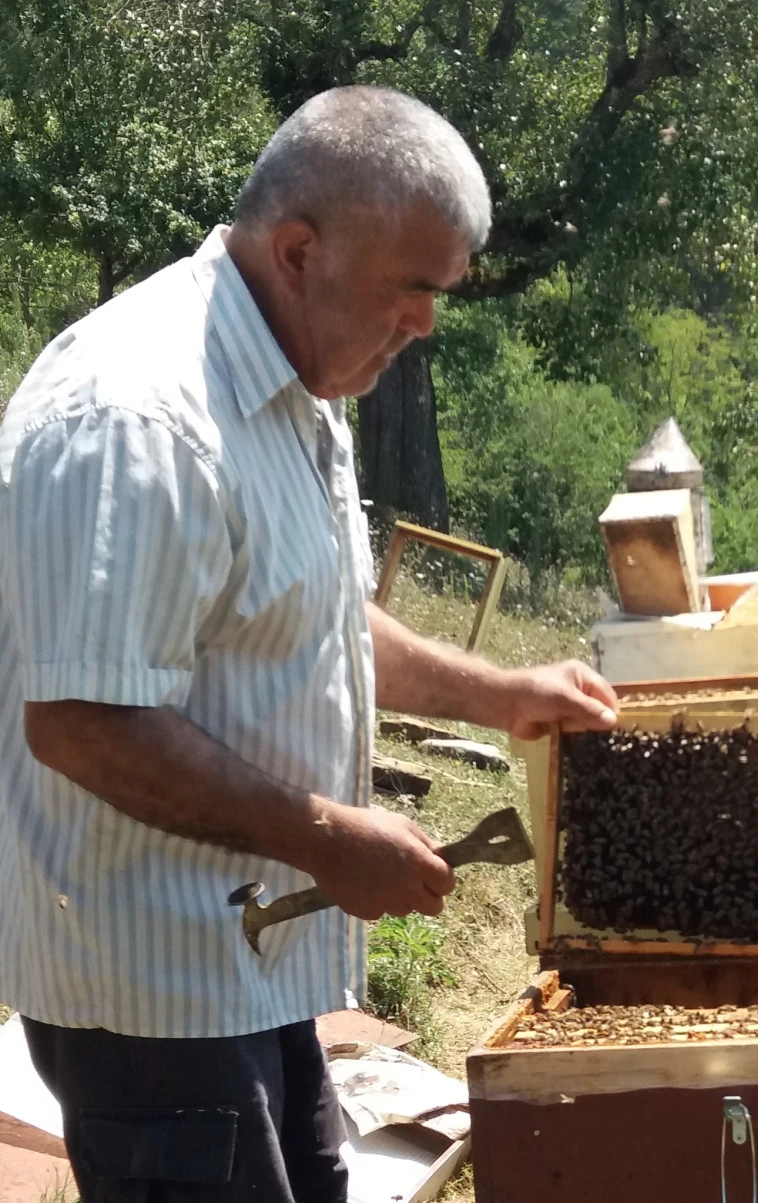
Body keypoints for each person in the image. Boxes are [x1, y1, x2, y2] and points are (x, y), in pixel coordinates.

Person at [0, 85, 618, 1203]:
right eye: (414, 290)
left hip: (251, 962)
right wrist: (330, 834)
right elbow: (82, 723)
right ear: (298, 251)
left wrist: (500, 693)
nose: (427, 324)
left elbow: (313, 612)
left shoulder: (297, 377)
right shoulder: (137, 415)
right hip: (149, 993)